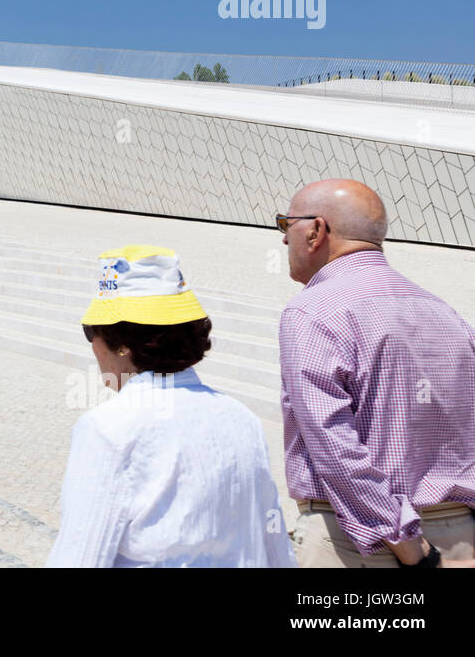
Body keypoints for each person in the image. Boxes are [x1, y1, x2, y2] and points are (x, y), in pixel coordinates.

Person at [46, 245, 295, 567]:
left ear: (119, 343)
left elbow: (81, 557)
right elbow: (274, 544)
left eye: (90, 331)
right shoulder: (242, 418)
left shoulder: (108, 429)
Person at [278, 179, 475, 568]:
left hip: (363, 541)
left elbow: (333, 443)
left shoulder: (312, 311)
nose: (285, 240)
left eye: (287, 224)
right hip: (459, 536)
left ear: (316, 231)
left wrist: (409, 547)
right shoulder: (444, 311)